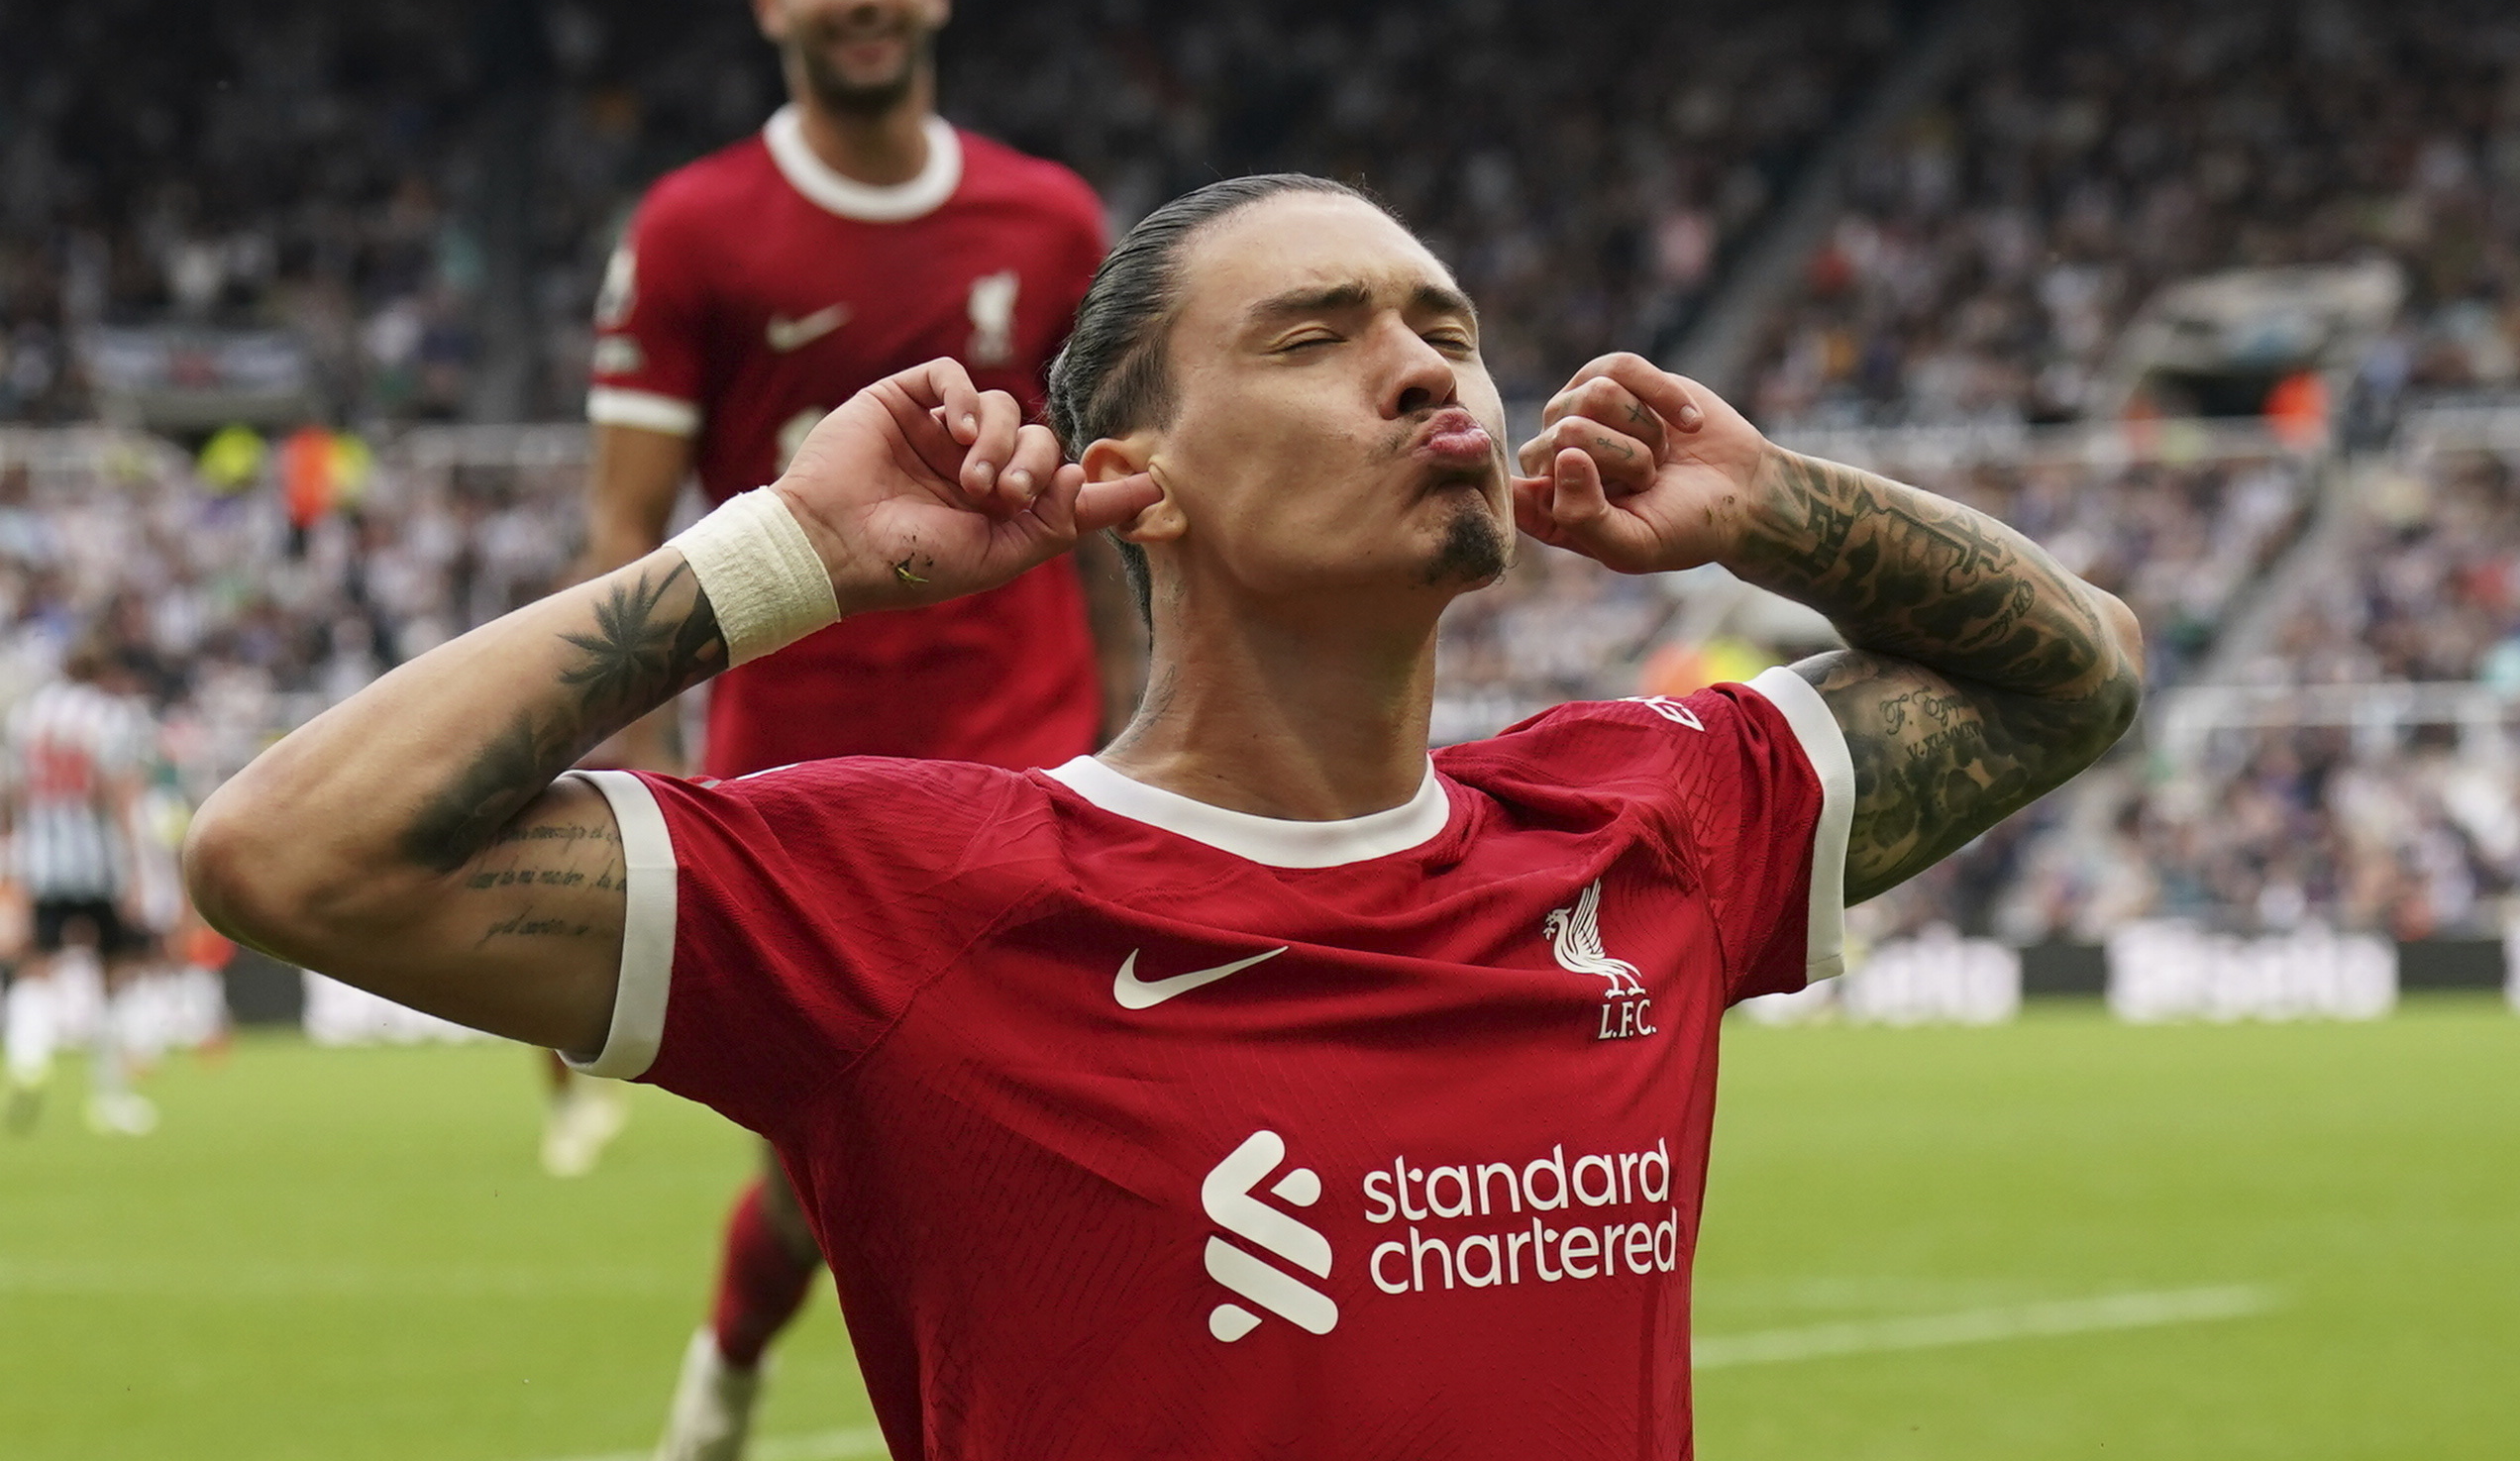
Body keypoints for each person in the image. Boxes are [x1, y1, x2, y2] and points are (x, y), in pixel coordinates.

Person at [186, 173, 2143, 1460]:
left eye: (1445, 324)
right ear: (1136, 478)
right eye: (1316, 334)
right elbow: (290, 850)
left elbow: (2078, 670)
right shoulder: (909, 898)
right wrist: (788, 546)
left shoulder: (1644, 820)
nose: (1426, 369)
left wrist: (1784, 501)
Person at [560, 0, 1138, 1459]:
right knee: (838, 1161)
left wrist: (1143, 728)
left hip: (1033, 760)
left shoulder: (1048, 218)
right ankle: (734, 1357)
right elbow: (625, 530)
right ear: (772, 1)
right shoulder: (694, 230)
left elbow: (1099, 515)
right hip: (800, 785)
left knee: (1046, 1141)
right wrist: (634, 783)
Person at [5, 637, 161, 1136]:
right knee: (113, 971)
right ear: (105, 673)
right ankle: (110, 1097)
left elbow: (14, 791)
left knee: (36, 964)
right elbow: (116, 793)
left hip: (43, 860)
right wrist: (137, 871)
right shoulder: (111, 717)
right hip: (98, 864)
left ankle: (28, 1058)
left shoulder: (29, 717)